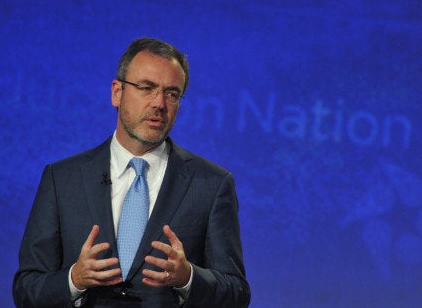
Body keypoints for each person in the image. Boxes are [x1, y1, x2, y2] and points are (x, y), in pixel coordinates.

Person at [12, 37, 250, 307]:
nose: (159, 103)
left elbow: (236, 293)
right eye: (146, 88)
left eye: (172, 94)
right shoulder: (62, 179)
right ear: (117, 92)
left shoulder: (211, 184)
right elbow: (26, 289)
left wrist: (188, 278)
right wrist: (74, 279)